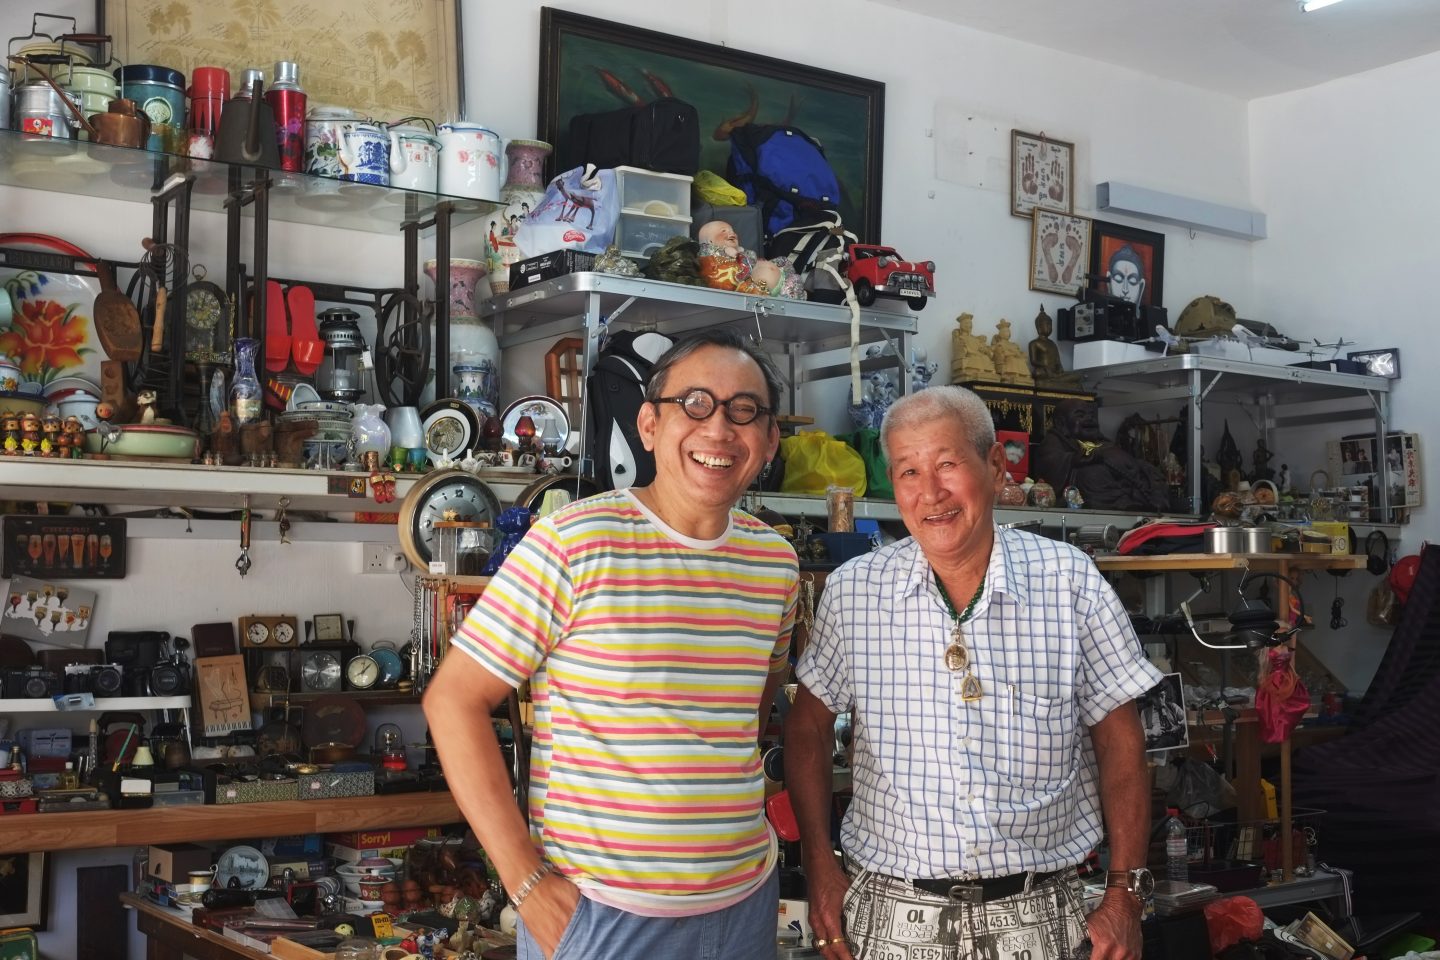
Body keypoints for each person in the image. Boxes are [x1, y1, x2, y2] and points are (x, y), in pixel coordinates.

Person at [424, 328, 799, 960]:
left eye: (744, 411)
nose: (719, 430)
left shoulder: (775, 562)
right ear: (649, 424)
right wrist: (526, 883)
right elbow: (452, 701)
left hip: (744, 903)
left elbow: (749, 712)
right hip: (601, 914)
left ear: (768, 440)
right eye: (696, 404)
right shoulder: (572, 543)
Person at [786, 385, 1163, 960]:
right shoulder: (853, 591)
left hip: (1041, 913)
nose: (929, 492)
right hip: (891, 917)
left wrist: (1124, 895)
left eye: (947, 464)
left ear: (993, 465)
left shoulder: (1070, 582)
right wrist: (820, 866)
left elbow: (1121, 742)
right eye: (908, 472)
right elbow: (808, 728)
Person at [1141, 681, 1186, 750]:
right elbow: (1141, 732)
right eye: (1156, 697)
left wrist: (1178, 726)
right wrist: (1152, 731)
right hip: (1155, 742)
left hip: (1173, 739)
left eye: (1162, 695)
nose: (1160, 699)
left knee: (1167, 740)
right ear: (1152, 698)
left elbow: (1186, 719)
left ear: (1165, 694)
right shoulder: (1145, 712)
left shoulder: (1173, 706)